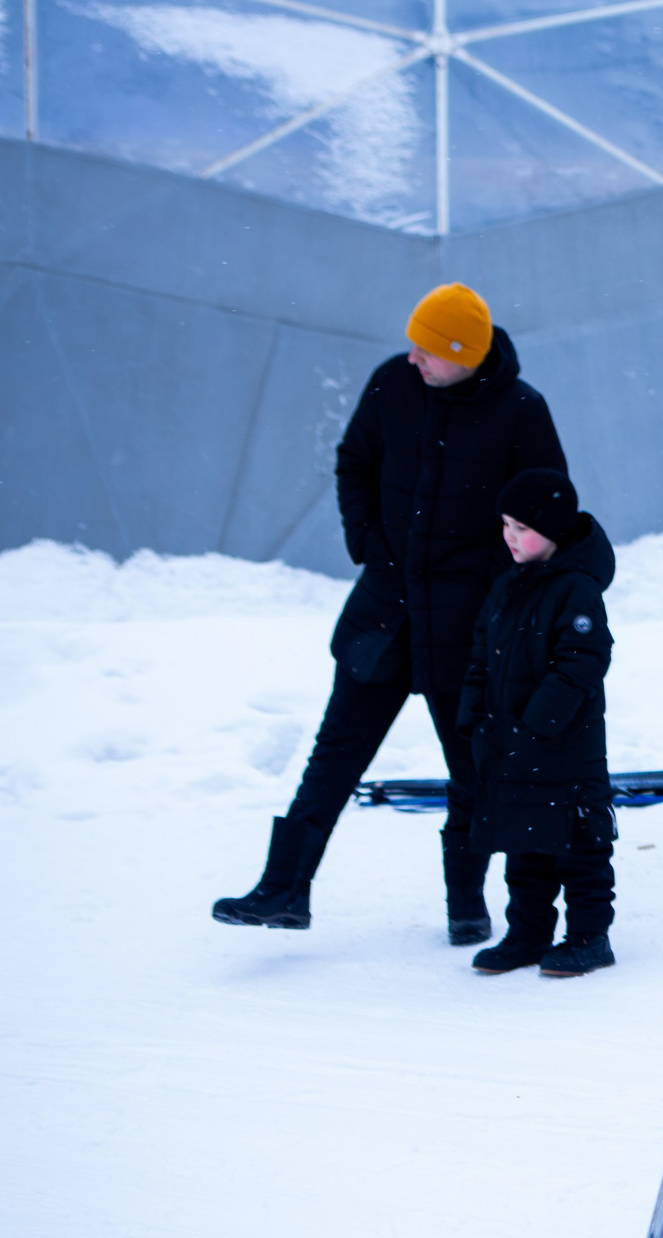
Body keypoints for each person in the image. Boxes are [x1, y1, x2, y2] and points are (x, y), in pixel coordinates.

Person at [213, 283, 568, 940]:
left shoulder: (521, 411)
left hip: (467, 629)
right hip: (386, 612)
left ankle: (466, 904)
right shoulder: (392, 385)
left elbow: (549, 511)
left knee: (471, 770)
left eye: (429, 350)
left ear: (463, 354)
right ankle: (284, 889)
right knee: (335, 754)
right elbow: (354, 463)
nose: (412, 358)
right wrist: (368, 542)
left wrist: (497, 592)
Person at [458, 470, 619, 976]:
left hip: (565, 750)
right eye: (505, 524)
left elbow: (582, 660)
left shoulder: (576, 590)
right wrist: (475, 719)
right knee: (524, 845)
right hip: (511, 747)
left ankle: (590, 936)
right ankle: (527, 932)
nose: (509, 535)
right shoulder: (506, 587)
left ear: (552, 530)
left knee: (579, 848)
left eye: (521, 526)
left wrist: (538, 724)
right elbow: (481, 657)